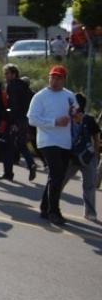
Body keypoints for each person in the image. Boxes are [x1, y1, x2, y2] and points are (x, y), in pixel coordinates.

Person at [27, 65, 77, 226]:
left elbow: (75, 113)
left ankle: (44, 207)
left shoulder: (69, 96)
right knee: (56, 175)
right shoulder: (40, 96)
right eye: (52, 77)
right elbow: (32, 119)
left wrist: (77, 116)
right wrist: (54, 122)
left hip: (65, 142)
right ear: (49, 78)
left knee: (57, 177)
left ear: (64, 80)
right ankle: (54, 212)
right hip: (47, 141)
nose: (55, 81)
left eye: (59, 78)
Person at [62, 93, 99, 221]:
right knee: (89, 186)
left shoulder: (67, 119)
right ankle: (90, 213)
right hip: (88, 157)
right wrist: (96, 155)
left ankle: (51, 205)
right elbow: (96, 138)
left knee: (60, 181)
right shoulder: (89, 119)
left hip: (71, 157)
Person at [0, 63, 37, 181]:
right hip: (25, 119)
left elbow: (14, 105)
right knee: (21, 144)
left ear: (13, 74)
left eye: (7, 73)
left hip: (16, 120)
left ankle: (8, 173)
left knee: (8, 147)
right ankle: (31, 163)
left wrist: (12, 119)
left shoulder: (12, 86)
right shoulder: (24, 86)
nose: (5, 76)